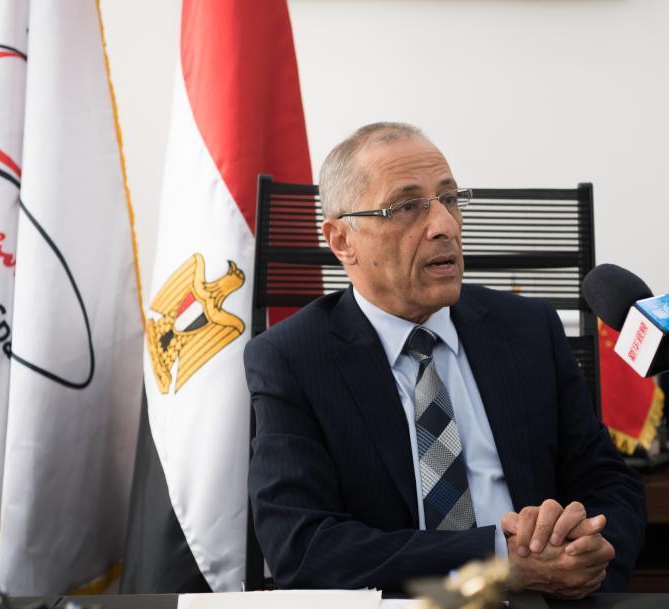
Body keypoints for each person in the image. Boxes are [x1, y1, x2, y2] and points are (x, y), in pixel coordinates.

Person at [244, 122, 646, 597]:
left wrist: (591, 548)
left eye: (450, 200)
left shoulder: (529, 330)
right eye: (407, 207)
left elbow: (608, 482)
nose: (445, 226)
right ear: (341, 241)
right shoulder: (292, 358)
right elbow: (303, 547)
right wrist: (500, 562)